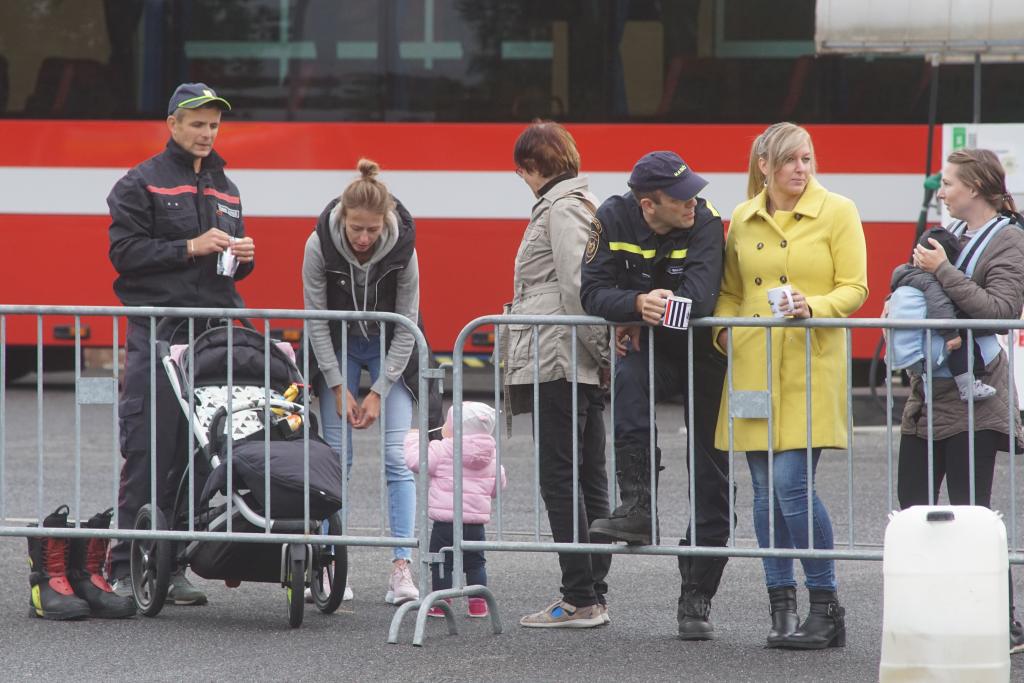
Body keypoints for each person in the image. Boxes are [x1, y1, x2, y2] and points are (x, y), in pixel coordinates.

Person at [714, 122, 867, 650]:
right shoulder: (740, 216)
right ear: (765, 166)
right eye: (790, 161)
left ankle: (826, 607)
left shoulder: (838, 210)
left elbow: (856, 287)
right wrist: (726, 340)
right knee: (762, 493)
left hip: (809, 367)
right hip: (753, 368)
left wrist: (813, 305)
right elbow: (730, 293)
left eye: (807, 159)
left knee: (790, 485)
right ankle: (781, 605)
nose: (801, 169)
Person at [106, 82, 255, 604]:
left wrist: (244, 254)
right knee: (149, 448)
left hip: (215, 336)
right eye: (196, 124)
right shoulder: (139, 183)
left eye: (213, 125)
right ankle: (126, 565)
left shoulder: (228, 187)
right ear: (172, 124)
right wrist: (188, 246)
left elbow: (230, 269)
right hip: (159, 333)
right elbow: (123, 254)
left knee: (203, 450)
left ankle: (171, 568)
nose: (205, 134)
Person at [580, 151, 732, 640]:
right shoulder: (611, 216)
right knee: (628, 379)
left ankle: (697, 596)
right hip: (651, 348)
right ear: (648, 205)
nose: (693, 202)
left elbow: (701, 298)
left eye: (693, 191)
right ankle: (638, 506)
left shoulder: (705, 220)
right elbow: (592, 291)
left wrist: (640, 313)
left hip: (704, 357)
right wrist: (633, 304)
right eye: (681, 196)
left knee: (711, 478)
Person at [895, 148, 1024, 655]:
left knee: (972, 517)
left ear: (973, 187)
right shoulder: (958, 236)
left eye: (948, 183)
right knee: (913, 512)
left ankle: (1003, 624)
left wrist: (943, 272)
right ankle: (935, 617)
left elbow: (1000, 310)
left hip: (979, 401)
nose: (941, 191)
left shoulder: (1009, 239)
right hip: (929, 398)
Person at [302, 158, 432, 605]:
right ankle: (328, 563)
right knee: (335, 461)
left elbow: (408, 324)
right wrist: (337, 386)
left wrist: (378, 390)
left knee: (400, 458)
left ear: (386, 222)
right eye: (356, 228)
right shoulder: (319, 244)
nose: (363, 238)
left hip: (388, 345)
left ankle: (401, 567)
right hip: (334, 344)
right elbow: (316, 321)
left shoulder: (404, 249)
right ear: (343, 217)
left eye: (371, 230)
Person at [500, 122, 612, 629]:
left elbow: (576, 290)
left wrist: (599, 354)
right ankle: (592, 591)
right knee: (588, 476)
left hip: (559, 360)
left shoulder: (561, 208)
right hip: (573, 361)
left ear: (531, 168)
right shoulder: (580, 203)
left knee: (562, 478)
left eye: (521, 171)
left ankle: (579, 597)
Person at [403, 402, 506, 619]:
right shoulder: (491, 454)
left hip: (446, 521)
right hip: (475, 524)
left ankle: (440, 603)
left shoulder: (442, 449)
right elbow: (497, 487)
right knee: (476, 562)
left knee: (442, 561)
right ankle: (478, 604)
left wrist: (413, 439)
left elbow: (416, 462)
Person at [889, 227, 995, 402]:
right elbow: (939, 304)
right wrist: (951, 334)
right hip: (934, 338)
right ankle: (967, 386)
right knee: (963, 337)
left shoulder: (904, 273)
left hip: (913, 344)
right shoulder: (929, 281)